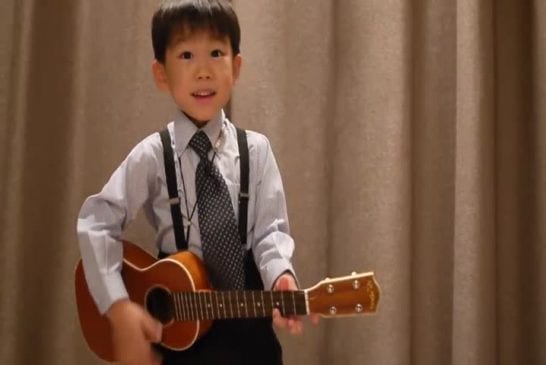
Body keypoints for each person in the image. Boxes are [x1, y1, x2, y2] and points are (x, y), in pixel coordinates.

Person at [77, 1, 316, 364]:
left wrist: (280, 275)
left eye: (216, 53)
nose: (203, 71)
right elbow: (97, 222)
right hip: (179, 336)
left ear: (236, 67)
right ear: (161, 74)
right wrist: (118, 305)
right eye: (186, 55)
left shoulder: (257, 151)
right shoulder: (153, 154)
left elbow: (270, 233)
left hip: (249, 332)